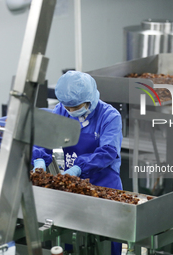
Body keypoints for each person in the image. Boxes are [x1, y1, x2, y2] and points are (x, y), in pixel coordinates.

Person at [32, 71, 123, 255]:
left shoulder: (109, 116)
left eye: (76, 107)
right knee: (72, 239)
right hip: (74, 188)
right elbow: (43, 138)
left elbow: (108, 151)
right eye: (68, 108)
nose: (71, 112)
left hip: (104, 186)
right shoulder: (60, 111)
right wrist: (40, 159)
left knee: (107, 240)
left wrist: (79, 167)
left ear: (89, 99)